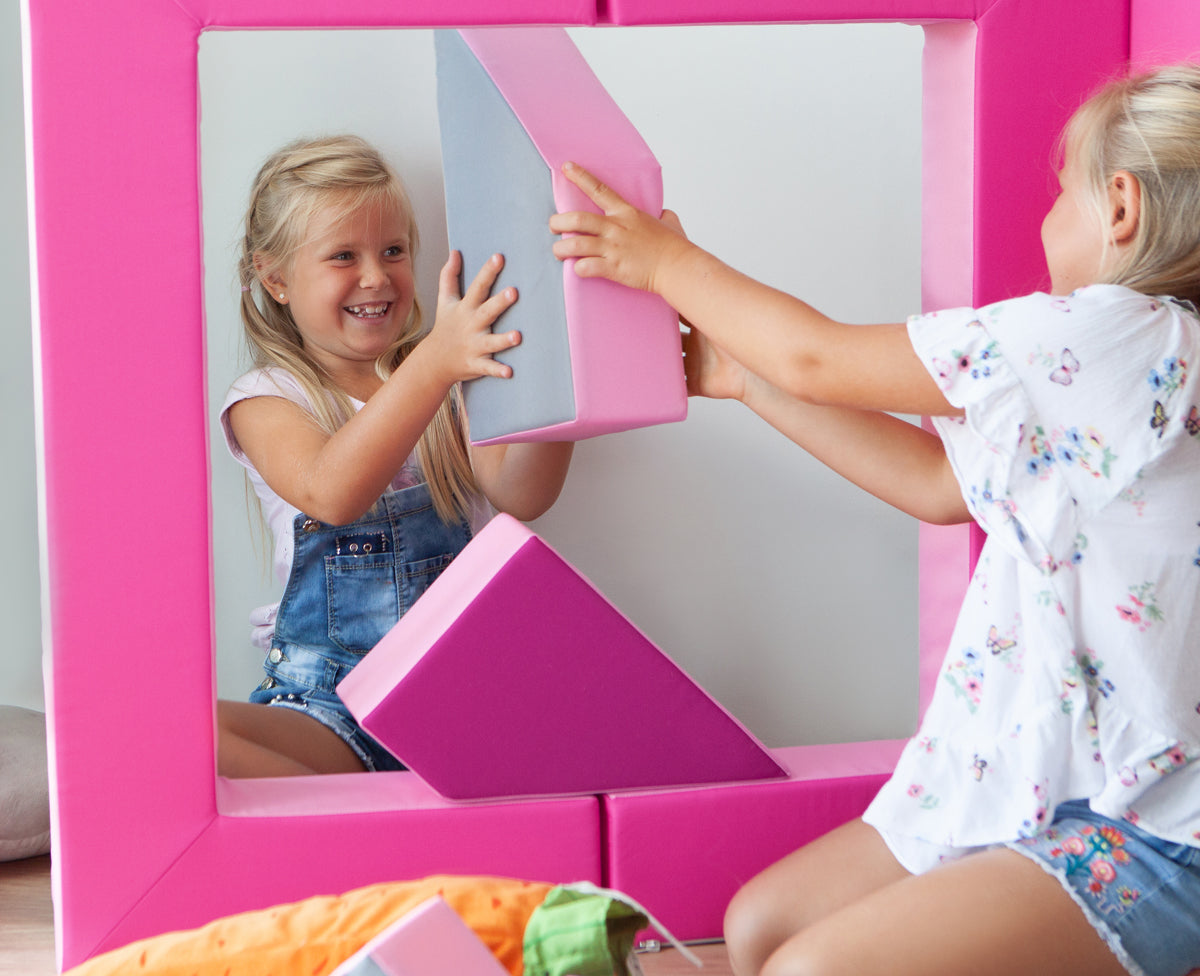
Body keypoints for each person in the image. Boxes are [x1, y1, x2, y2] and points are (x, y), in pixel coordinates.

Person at [549, 66, 1200, 976]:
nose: (1046, 217)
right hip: (1053, 778)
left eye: (1063, 193)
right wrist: (742, 377)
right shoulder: (1129, 374)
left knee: (809, 968)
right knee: (759, 926)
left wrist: (667, 265)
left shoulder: (1116, 335)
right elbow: (937, 483)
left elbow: (818, 357)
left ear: (1120, 206)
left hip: (1161, 833)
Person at [218, 136, 573, 778]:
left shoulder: (450, 376)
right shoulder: (267, 398)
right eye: (343, 256)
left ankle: (376, 812)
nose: (377, 277)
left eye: (393, 251)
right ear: (275, 279)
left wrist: (561, 363)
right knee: (178, 730)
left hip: (461, 695)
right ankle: (367, 811)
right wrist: (434, 362)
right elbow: (331, 492)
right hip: (327, 704)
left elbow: (524, 493)